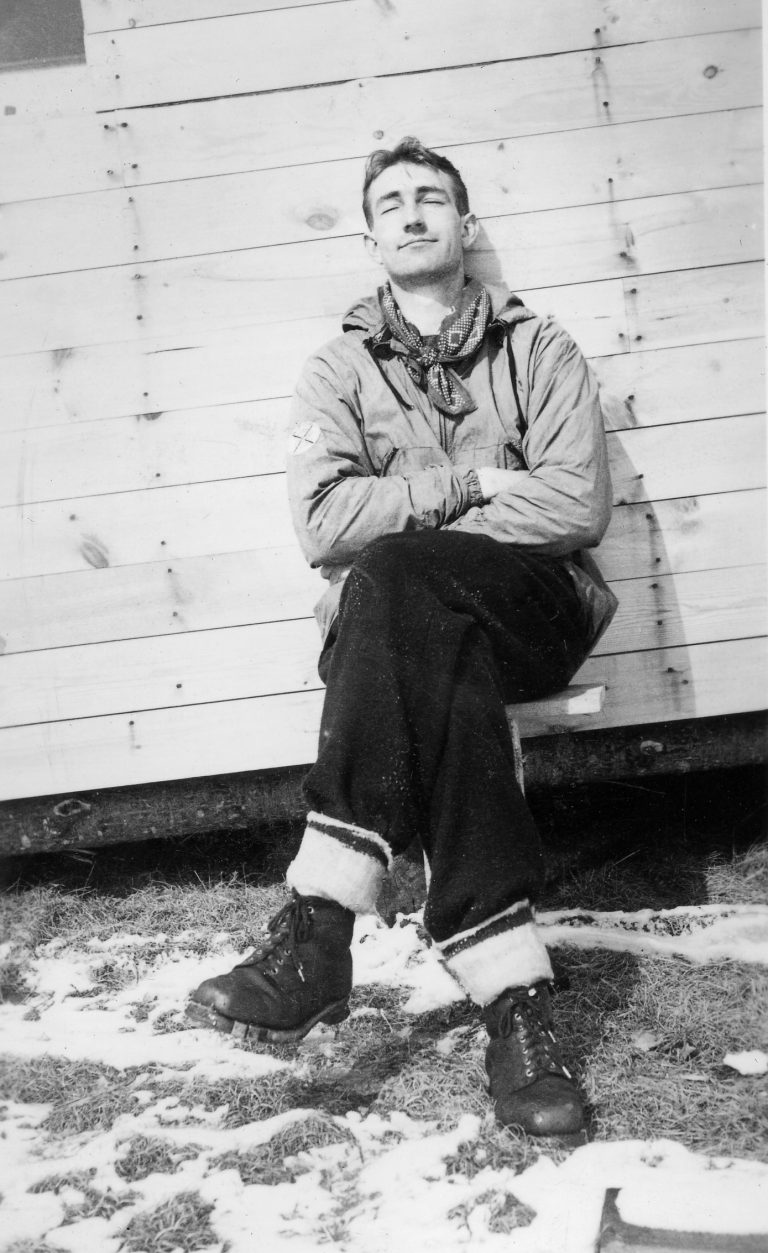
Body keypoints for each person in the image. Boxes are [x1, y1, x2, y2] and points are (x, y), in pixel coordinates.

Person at [189, 138, 617, 1137]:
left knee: (394, 574)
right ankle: (519, 1007)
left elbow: (573, 502)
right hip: (412, 644)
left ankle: (318, 929)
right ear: (372, 234)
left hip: (533, 612)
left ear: (466, 228)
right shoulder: (336, 369)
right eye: (394, 201)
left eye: (435, 198)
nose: (415, 211)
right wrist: (464, 485)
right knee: (429, 640)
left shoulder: (539, 348)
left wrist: (404, 533)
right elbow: (319, 527)